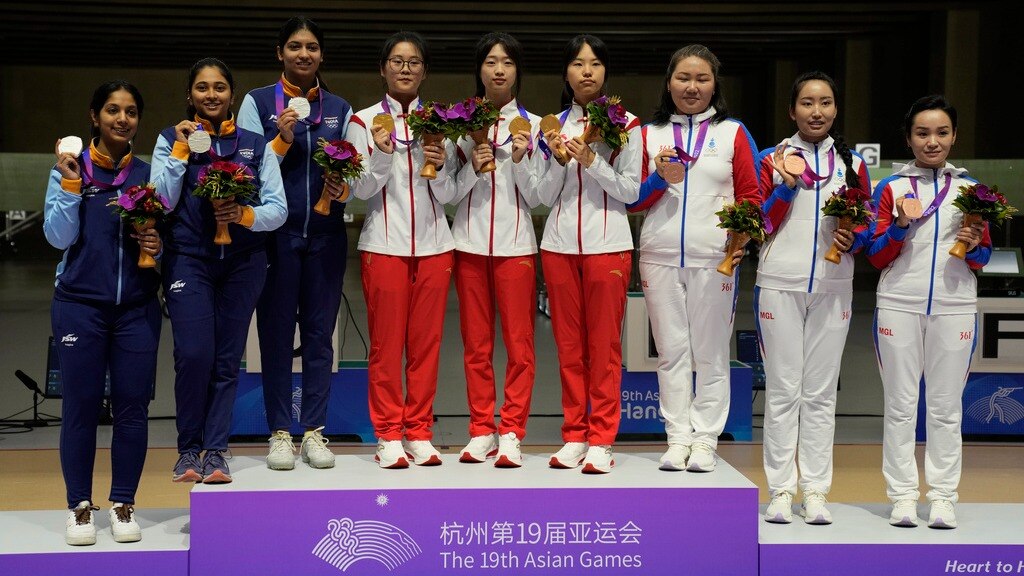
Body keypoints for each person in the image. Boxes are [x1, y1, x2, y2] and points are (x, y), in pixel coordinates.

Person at [152, 58, 287, 484]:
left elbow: (277, 210)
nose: (211, 95)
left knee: (227, 361)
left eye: (220, 88)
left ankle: (215, 451)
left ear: (232, 94)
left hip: (243, 265)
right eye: (202, 88)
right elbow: (159, 200)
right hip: (188, 260)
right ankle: (188, 448)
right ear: (190, 95)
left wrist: (244, 215)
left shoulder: (254, 144)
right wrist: (178, 150)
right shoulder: (168, 140)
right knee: (193, 355)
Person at [627, 44, 760, 474]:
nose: (692, 86)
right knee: (671, 352)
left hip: (714, 258)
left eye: (702, 78)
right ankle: (676, 437)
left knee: (710, 352)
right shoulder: (648, 134)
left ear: (714, 85)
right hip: (659, 255)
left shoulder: (733, 133)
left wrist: (741, 239)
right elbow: (632, 200)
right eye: (683, 77)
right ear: (669, 83)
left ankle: (705, 439)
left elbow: (752, 194)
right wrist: (659, 180)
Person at [44, 81, 160, 545]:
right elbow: (57, 237)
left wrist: (159, 244)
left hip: (136, 309)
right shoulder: (70, 170)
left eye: (131, 112)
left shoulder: (149, 175)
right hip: (79, 307)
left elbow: (163, 237)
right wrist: (72, 183)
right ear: (94, 116)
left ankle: (124, 502)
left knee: (133, 409)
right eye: (112, 110)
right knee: (81, 408)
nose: (122, 119)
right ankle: (79, 506)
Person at [867, 95, 989, 529]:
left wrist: (975, 247)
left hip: (955, 307)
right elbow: (876, 257)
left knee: (945, 408)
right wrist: (899, 227)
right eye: (922, 133)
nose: (931, 141)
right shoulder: (891, 188)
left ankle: (942, 498)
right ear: (909, 138)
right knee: (900, 406)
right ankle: (901, 497)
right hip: (898, 304)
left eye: (941, 132)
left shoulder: (972, 191)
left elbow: (984, 256)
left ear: (953, 136)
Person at [757, 71, 872, 524]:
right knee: (784, 391)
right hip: (779, 284)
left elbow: (863, 226)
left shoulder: (854, 164)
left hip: (833, 287)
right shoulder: (771, 158)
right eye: (807, 103)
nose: (817, 111)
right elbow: (760, 224)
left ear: (836, 109)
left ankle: (817, 491)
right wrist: (785, 185)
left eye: (825, 102)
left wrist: (853, 241)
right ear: (792, 110)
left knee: (821, 394)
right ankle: (781, 491)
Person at [238, 16, 352, 471]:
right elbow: (245, 169)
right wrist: (280, 140)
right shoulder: (258, 102)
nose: (303, 54)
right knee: (277, 334)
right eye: (293, 46)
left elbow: (350, 171)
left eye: (311, 47)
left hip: (325, 236)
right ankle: (280, 432)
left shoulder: (340, 108)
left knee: (321, 337)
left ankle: (315, 431)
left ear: (322, 55)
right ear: (280, 53)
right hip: (276, 238)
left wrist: (343, 189)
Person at [347, 32, 457, 469]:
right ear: (383, 68)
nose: (406, 68)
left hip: (435, 246)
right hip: (384, 244)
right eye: (397, 60)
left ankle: (420, 432)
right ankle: (389, 433)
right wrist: (379, 153)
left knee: (427, 344)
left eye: (414, 62)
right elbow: (360, 188)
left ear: (424, 71)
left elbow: (448, 196)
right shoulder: (362, 121)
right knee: (387, 346)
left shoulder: (443, 121)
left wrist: (443, 165)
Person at [537, 34, 641, 474]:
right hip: (558, 247)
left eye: (595, 64)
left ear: (605, 73)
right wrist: (558, 160)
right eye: (578, 64)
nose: (586, 71)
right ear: (566, 73)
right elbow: (541, 195)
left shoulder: (628, 126)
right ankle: (574, 434)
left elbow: (632, 191)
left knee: (604, 346)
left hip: (608, 246)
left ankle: (602, 438)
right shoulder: (551, 126)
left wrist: (592, 161)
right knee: (568, 346)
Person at [452, 32, 541, 468]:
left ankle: (512, 432)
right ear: (479, 69)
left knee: (520, 344)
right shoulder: (457, 123)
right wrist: (472, 164)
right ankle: (481, 429)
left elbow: (539, 195)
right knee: (476, 344)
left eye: (507, 61)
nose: (499, 69)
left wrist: (523, 161)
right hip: (467, 243)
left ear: (518, 70)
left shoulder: (538, 125)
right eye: (490, 61)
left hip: (517, 245)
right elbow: (447, 192)